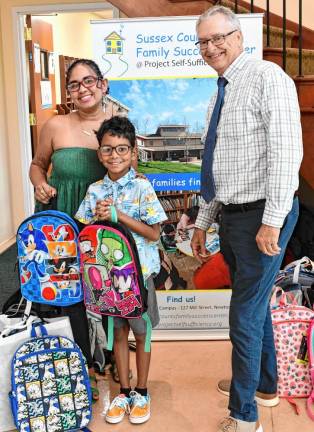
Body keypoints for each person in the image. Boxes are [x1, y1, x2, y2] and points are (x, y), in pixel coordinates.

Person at [191, 6, 303, 432]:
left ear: (239, 37)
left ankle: (244, 416)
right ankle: (264, 386)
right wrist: (203, 221)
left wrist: (272, 221)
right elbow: (216, 167)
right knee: (253, 309)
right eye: (203, 41)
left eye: (219, 37)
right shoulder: (217, 95)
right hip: (233, 216)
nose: (212, 47)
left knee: (243, 314)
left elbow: (287, 153)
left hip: (263, 214)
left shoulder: (267, 77)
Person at [75, 116, 167, 425]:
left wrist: (119, 215)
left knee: (142, 334)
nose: (115, 156)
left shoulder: (142, 187)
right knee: (117, 333)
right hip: (107, 281)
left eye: (122, 149)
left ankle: (142, 391)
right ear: (99, 153)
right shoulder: (94, 190)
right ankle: (124, 391)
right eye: (108, 149)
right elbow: (85, 234)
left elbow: (154, 234)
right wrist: (97, 221)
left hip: (138, 277)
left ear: (133, 153)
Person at [29, 58, 110, 401]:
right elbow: (37, 165)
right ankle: (80, 362)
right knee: (69, 294)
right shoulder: (54, 125)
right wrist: (39, 184)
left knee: (104, 289)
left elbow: (130, 171)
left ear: (103, 84)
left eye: (89, 81)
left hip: (100, 221)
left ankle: (106, 359)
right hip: (60, 219)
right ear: (69, 92)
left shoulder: (116, 124)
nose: (83, 89)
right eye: (74, 84)